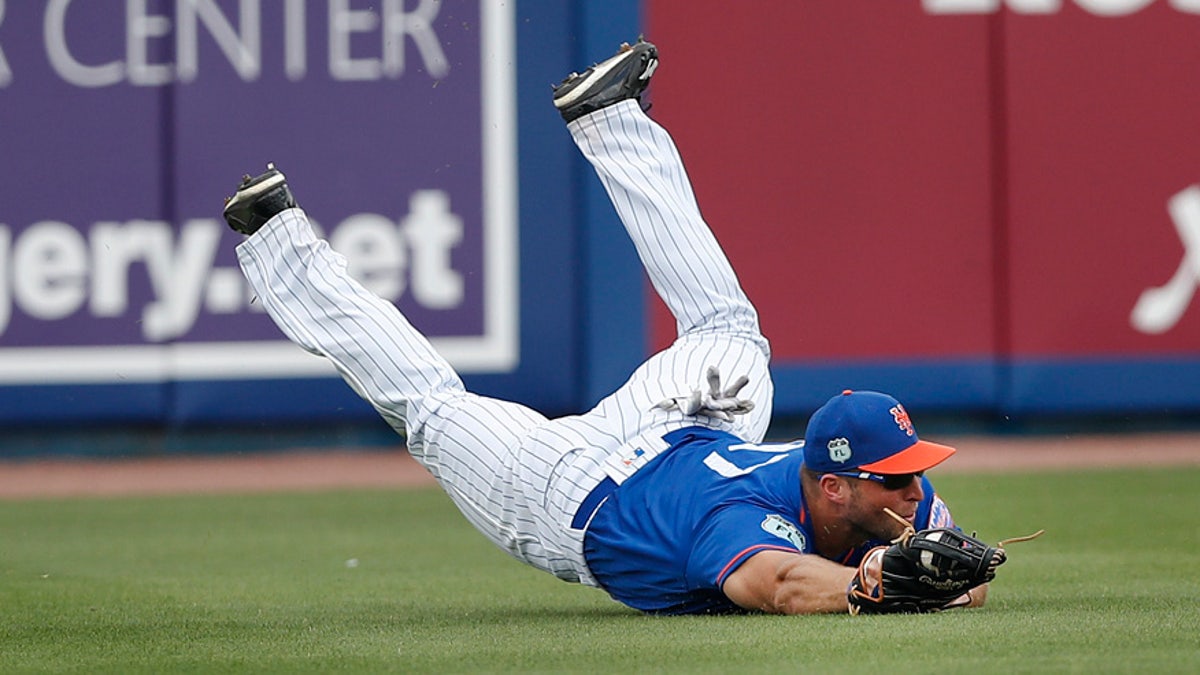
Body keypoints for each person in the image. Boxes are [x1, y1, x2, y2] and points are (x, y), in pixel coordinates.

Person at [222, 39, 985, 615]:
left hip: (673, 434)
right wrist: (871, 585)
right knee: (432, 407)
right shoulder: (743, 520)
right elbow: (781, 584)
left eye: (913, 470)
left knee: (727, 327)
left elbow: (963, 576)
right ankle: (276, 245)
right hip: (565, 487)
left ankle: (610, 117)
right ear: (832, 486)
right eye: (896, 476)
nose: (917, 489)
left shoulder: (891, 505)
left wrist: (949, 583)